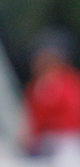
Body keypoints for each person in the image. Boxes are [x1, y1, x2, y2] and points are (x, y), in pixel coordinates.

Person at [22, 27, 80, 157]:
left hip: (68, 141)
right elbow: (30, 121)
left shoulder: (70, 82)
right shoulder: (34, 87)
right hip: (42, 143)